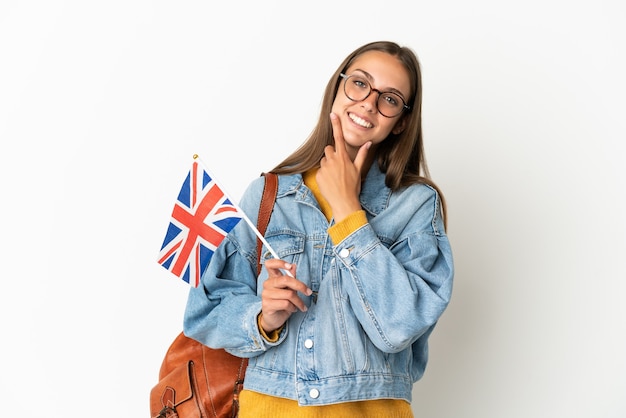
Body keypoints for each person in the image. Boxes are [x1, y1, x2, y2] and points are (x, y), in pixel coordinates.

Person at [184, 40, 454, 418]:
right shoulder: (269, 195)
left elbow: (399, 327)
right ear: (337, 88)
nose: (368, 104)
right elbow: (204, 312)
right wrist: (263, 318)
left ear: (402, 122)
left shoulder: (416, 206)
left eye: (389, 99)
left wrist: (348, 212)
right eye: (359, 84)